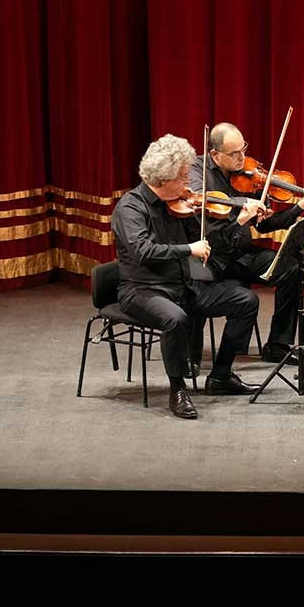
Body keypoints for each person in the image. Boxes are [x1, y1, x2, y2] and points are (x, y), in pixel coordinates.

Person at [111, 134, 259, 420]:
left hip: (184, 285)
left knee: (245, 300)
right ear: (162, 179)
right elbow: (144, 251)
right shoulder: (130, 208)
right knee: (175, 318)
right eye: (181, 177)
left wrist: (236, 222)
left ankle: (221, 375)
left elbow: (207, 240)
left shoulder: (182, 204)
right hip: (143, 290)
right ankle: (177, 389)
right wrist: (188, 249)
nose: (188, 183)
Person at [188, 123, 304, 365]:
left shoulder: (248, 177)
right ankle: (190, 357)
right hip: (211, 255)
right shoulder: (197, 171)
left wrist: (298, 208)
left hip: (240, 254)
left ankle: (278, 345)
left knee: (290, 266)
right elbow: (201, 199)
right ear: (215, 155)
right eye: (234, 154)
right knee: (195, 286)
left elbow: (264, 225)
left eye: (243, 150)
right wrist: (243, 206)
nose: (242, 158)